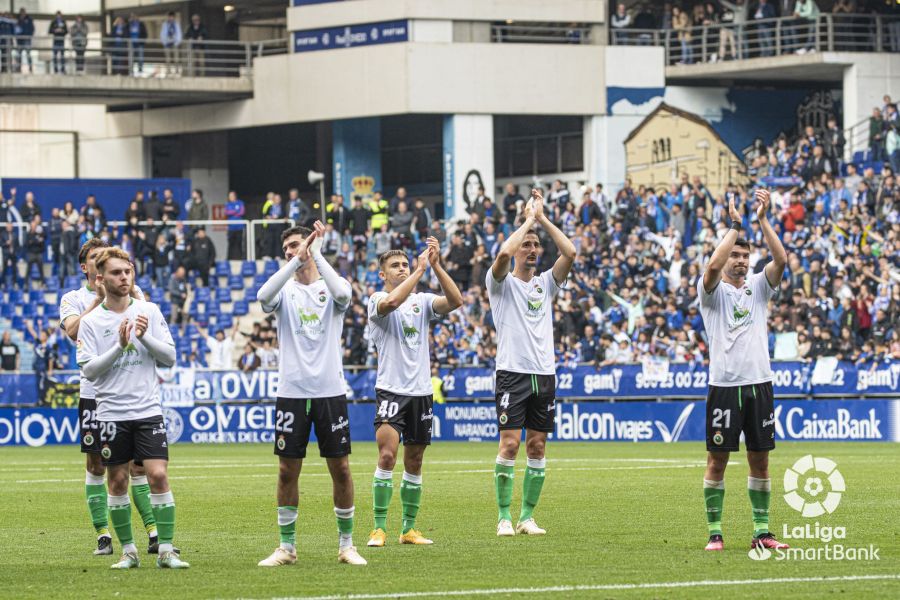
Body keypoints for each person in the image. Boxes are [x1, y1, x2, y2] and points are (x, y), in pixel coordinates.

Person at [256, 222, 366, 567]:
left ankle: (347, 545)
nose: (293, 250)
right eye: (287, 246)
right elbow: (262, 298)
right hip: (291, 392)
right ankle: (287, 548)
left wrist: (315, 251)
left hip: (330, 392)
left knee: (342, 469)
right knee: (287, 471)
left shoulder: (330, 288)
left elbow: (345, 295)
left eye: (297, 244)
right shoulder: (284, 290)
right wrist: (295, 260)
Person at [76, 247, 188, 569]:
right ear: (101, 278)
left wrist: (142, 338)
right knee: (118, 482)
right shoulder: (92, 322)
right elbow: (90, 371)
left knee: (157, 474)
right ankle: (129, 552)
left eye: (127, 271)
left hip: (148, 410)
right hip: (111, 414)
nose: (124, 277)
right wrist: (119, 345)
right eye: (116, 273)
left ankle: (166, 551)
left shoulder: (149, 311)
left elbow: (169, 357)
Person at [59, 239, 165, 557]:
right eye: (95, 258)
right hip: (94, 394)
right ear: (87, 267)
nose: (101, 260)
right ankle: (103, 535)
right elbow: (73, 331)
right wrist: (99, 301)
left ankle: (153, 532)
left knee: (138, 467)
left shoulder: (132, 292)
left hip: (132, 393)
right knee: (97, 464)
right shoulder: (73, 299)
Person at [698, 189, 788, 553]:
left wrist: (763, 220)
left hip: (759, 384)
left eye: (744, 256)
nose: (739, 260)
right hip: (724, 386)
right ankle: (715, 533)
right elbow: (711, 268)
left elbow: (781, 259)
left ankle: (762, 531)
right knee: (717, 459)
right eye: (734, 254)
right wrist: (735, 227)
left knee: (760, 459)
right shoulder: (712, 292)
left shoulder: (758, 287)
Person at [487, 189, 576, 537]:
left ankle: (526, 517)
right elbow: (503, 253)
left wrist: (542, 220)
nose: (533, 250)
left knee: (537, 445)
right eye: (528, 244)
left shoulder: (546, 285)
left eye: (536, 245)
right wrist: (526, 221)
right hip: (512, 373)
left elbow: (570, 252)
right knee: (509, 444)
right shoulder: (500, 284)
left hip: (545, 374)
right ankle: (503, 517)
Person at [365, 238, 462, 548]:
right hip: (392, 390)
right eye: (395, 266)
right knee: (387, 455)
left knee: (415, 461)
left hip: (420, 393)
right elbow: (392, 303)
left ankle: (408, 529)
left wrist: (435, 266)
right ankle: (378, 528)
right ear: (383, 274)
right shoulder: (377, 299)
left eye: (405, 264)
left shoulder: (421, 302)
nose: (402, 268)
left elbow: (455, 301)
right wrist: (419, 270)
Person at [160, 11, 182, 76]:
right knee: (167, 58)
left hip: (174, 43)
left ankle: (177, 70)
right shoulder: (165, 24)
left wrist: (177, 42)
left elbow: (179, 34)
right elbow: (162, 34)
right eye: (170, 17)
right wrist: (164, 42)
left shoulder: (176, 24)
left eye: (172, 17)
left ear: (174, 17)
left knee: (176, 57)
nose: (171, 18)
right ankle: (168, 70)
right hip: (167, 43)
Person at [225, 190, 245, 260]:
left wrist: (232, 212)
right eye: (229, 196)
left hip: (239, 227)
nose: (231, 197)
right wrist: (236, 211)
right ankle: (229, 258)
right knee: (231, 244)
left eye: (232, 196)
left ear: (235, 196)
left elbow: (242, 212)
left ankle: (240, 258)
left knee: (239, 243)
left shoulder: (240, 203)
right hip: (231, 227)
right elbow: (227, 213)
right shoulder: (227, 204)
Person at [14, 8, 34, 73]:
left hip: (27, 39)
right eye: (21, 13)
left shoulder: (29, 19)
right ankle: (18, 68)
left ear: (25, 13)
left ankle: (30, 68)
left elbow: (32, 29)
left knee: (28, 54)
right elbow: (16, 29)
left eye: (23, 12)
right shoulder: (18, 20)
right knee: (18, 55)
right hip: (20, 40)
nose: (22, 14)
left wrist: (28, 36)